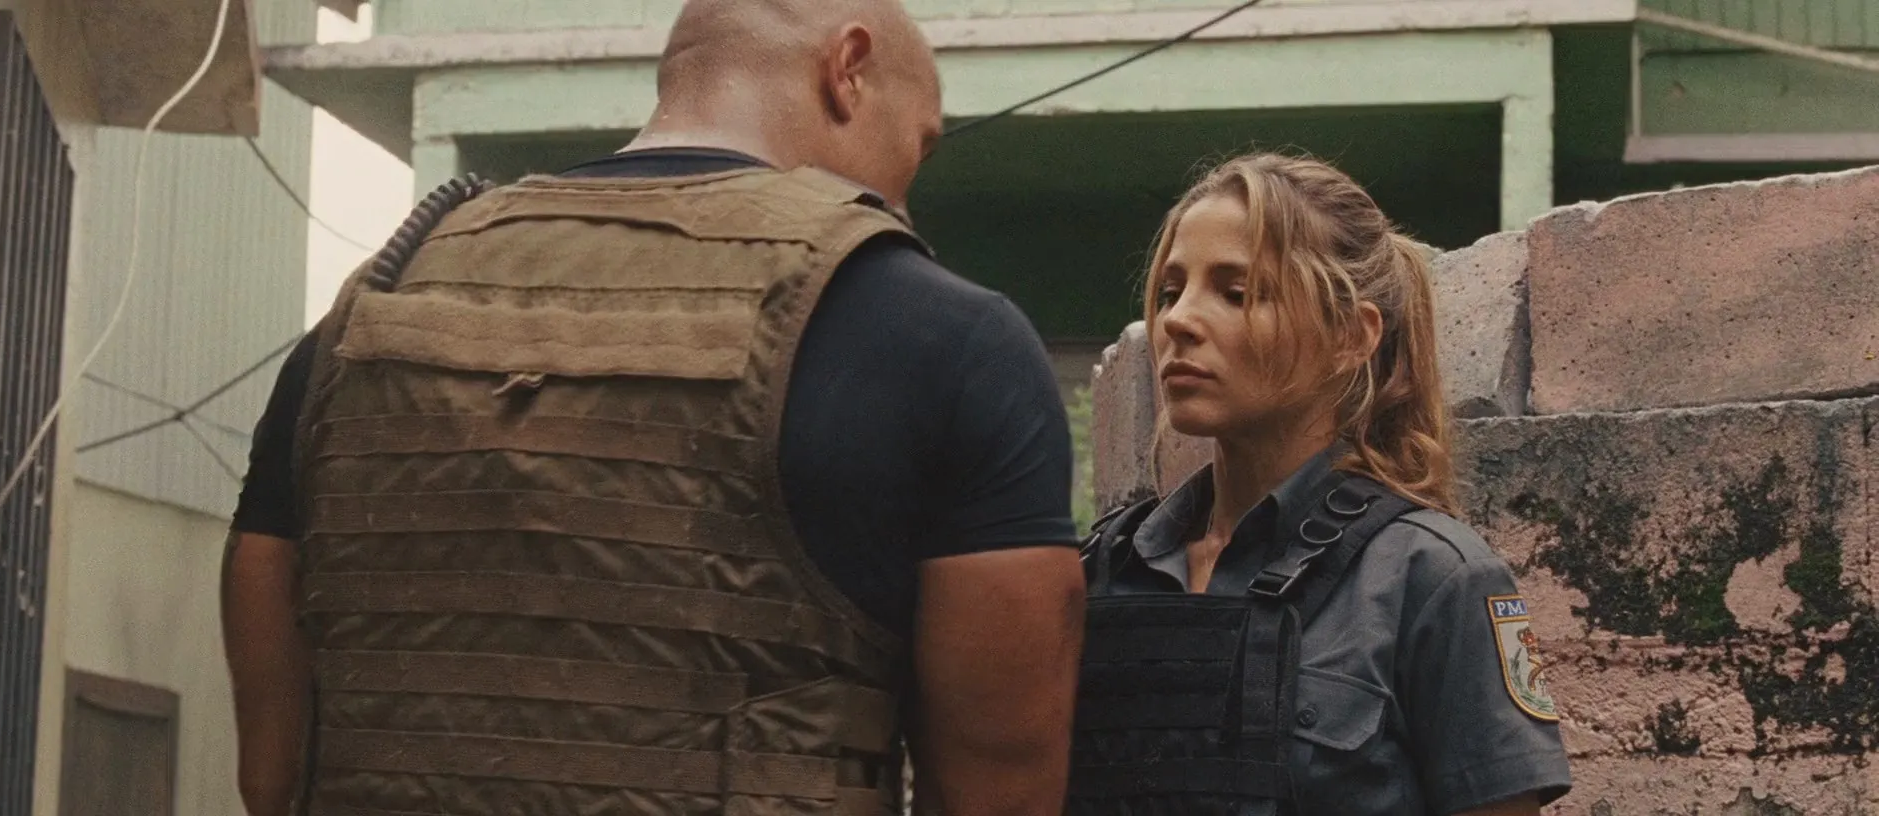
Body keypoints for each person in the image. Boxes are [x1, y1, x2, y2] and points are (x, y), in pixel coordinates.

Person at [220, 1, 1087, 814]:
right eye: (919, 147)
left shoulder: (361, 324)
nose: (907, 195)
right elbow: (1000, 788)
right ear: (847, 69)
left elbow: (273, 774)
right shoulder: (951, 342)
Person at [1068, 153, 1572, 815]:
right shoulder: (1102, 572)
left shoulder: (1432, 578)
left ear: (1350, 336)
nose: (1178, 322)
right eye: (1170, 292)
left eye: (1236, 293)